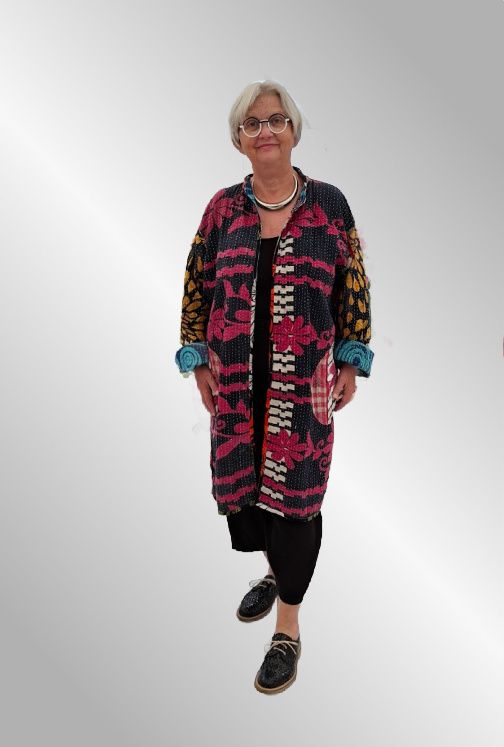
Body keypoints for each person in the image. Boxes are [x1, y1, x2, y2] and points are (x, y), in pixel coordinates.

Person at [175, 79, 374, 694]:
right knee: (249, 499)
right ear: (239, 139)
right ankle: (272, 571)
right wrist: (198, 360)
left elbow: (354, 282)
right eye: (252, 123)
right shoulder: (221, 210)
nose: (266, 131)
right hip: (236, 385)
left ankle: (288, 626)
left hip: (302, 385)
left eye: (276, 120)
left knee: (297, 502)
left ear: (293, 131)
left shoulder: (329, 205)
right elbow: (196, 285)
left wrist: (350, 358)